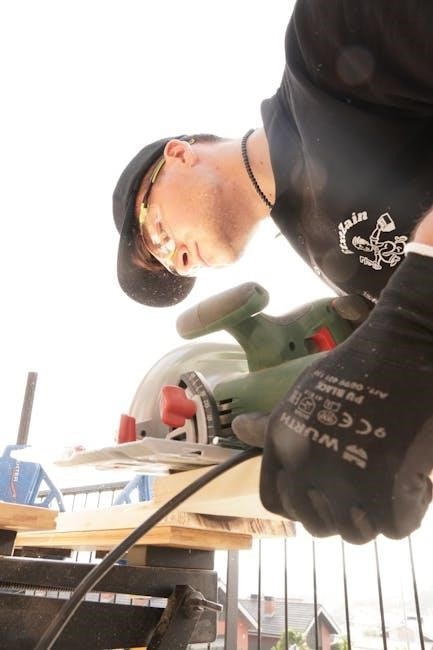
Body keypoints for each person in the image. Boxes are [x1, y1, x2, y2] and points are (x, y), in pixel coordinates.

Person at [113, 0, 433, 543]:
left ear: (179, 155)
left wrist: (415, 319)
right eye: (169, 263)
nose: (174, 257)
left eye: (155, 230)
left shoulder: (324, 45)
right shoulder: (326, 259)